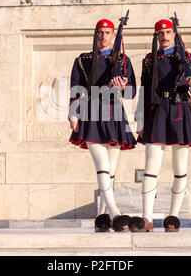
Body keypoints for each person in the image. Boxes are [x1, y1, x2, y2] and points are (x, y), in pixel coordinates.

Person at [130, 19, 191, 233]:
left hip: (180, 110)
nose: (164, 36)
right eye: (160, 33)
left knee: (180, 168)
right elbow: (143, 90)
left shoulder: (188, 58)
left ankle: (173, 216)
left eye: (168, 32)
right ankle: (146, 217)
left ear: (174, 34)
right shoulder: (148, 60)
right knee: (151, 165)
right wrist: (140, 121)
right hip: (158, 111)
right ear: (156, 36)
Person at [68, 18, 137, 232]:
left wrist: (123, 86)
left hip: (113, 109)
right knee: (102, 165)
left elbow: (133, 91)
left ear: (113, 36)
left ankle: (101, 217)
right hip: (91, 110)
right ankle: (115, 212)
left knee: (112, 167)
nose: (104, 36)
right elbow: (76, 89)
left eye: (108, 33)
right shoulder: (83, 59)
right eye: (101, 32)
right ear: (95, 34)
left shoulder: (123, 60)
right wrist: (73, 114)